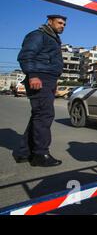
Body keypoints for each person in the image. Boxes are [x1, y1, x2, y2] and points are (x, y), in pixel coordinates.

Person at [13, 15, 66, 167]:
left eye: (64, 24)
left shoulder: (53, 38)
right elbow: (26, 56)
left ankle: (23, 152)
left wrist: (54, 80)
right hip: (40, 77)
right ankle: (40, 154)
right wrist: (33, 75)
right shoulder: (38, 35)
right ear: (50, 22)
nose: (62, 26)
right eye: (59, 23)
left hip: (48, 78)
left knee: (39, 115)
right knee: (44, 115)